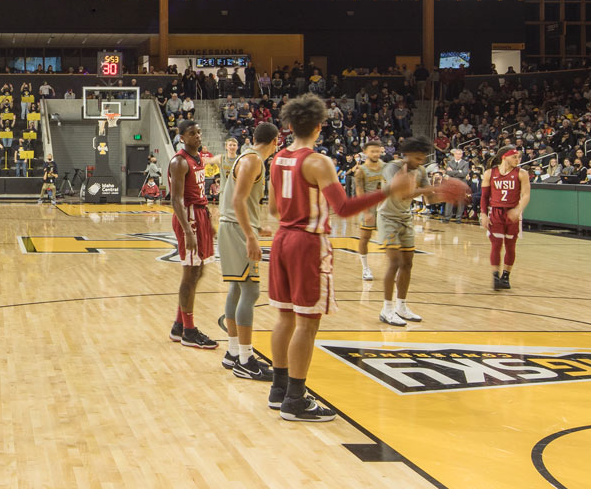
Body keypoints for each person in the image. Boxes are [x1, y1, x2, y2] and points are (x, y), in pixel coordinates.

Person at [266, 94, 425, 422]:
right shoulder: (317, 162)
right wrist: (387, 192)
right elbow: (342, 208)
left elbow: (272, 209)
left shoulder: (278, 158)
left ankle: (278, 389)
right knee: (308, 322)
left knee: (284, 317)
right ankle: (296, 399)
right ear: (319, 127)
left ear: (291, 125)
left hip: (282, 238)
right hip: (307, 242)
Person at [216, 121, 277, 381]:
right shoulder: (253, 161)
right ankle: (246, 358)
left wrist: (255, 226)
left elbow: (241, 201)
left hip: (234, 226)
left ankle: (233, 352)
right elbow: (237, 199)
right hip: (237, 230)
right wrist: (250, 235)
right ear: (276, 142)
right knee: (251, 290)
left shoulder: (247, 157)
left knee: (237, 288)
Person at [167, 119, 217, 348]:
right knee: (190, 275)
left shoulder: (198, 159)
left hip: (200, 215)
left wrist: (209, 223)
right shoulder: (179, 161)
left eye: (198, 132)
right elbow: (175, 199)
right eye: (191, 133)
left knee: (199, 271)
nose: (197, 136)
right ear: (182, 137)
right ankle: (189, 331)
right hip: (189, 218)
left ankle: (179, 325)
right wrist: (188, 231)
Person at [377, 139, 431, 326]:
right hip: (387, 217)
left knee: (408, 263)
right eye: (417, 157)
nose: (421, 161)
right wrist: (430, 189)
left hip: (405, 217)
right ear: (407, 154)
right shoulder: (392, 168)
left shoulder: (421, 171)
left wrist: (450, 192)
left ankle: (401, 306)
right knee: (395, 262)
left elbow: (430, 197)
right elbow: (402, 193)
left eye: (423, 158)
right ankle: (387, 309)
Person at [485, 146, 531, 290]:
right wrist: (483, 214)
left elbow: (526, 195)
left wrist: (518, 210)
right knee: (496, 245)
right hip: (496, 211)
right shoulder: (490, 173)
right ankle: (495, 275)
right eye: (515, 157)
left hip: (513, 212)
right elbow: (485, 196)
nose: (518, 160)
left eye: (519, 157)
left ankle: (505, 276)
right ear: (505, 157)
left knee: (510, 246)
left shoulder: (522, 173)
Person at [348, 143, 386, 284]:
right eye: (373, 151)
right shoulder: (361, 171)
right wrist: (366, 211)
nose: (376, 154)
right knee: (365, 238)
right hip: (368, 207)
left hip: (384, 207)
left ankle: (391, 269)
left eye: (378, 151)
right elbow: (359, 192)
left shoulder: (386, 167)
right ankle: (365, 268)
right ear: (365, 152)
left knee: (390, 240)